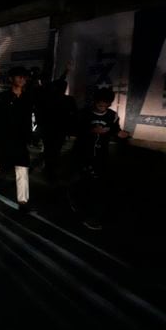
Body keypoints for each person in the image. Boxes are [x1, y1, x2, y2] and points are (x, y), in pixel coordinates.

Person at [69, 87, 130, 230]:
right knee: (83, 181)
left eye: (105, 105)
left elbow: (115, 130)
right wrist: (91, 130)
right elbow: (74, 129)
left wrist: (121, 134)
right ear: (94, 102)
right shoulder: (84, 113)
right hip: (83, 153)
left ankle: (90, 212)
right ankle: (81, 209)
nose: (102, 108)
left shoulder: (112, 116)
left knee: (98, 184)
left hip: (101, 154)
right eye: (99, 105)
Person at [0, 66, 35, 212]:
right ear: (11, 79)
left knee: (22, 169)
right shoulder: (1, 97)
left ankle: (23, 200)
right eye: (19, 76)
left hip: (19, 139)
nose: (22, 79)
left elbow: (30, 119)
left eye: (24, 77)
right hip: (1, 137)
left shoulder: (28, 98)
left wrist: (30, 136)